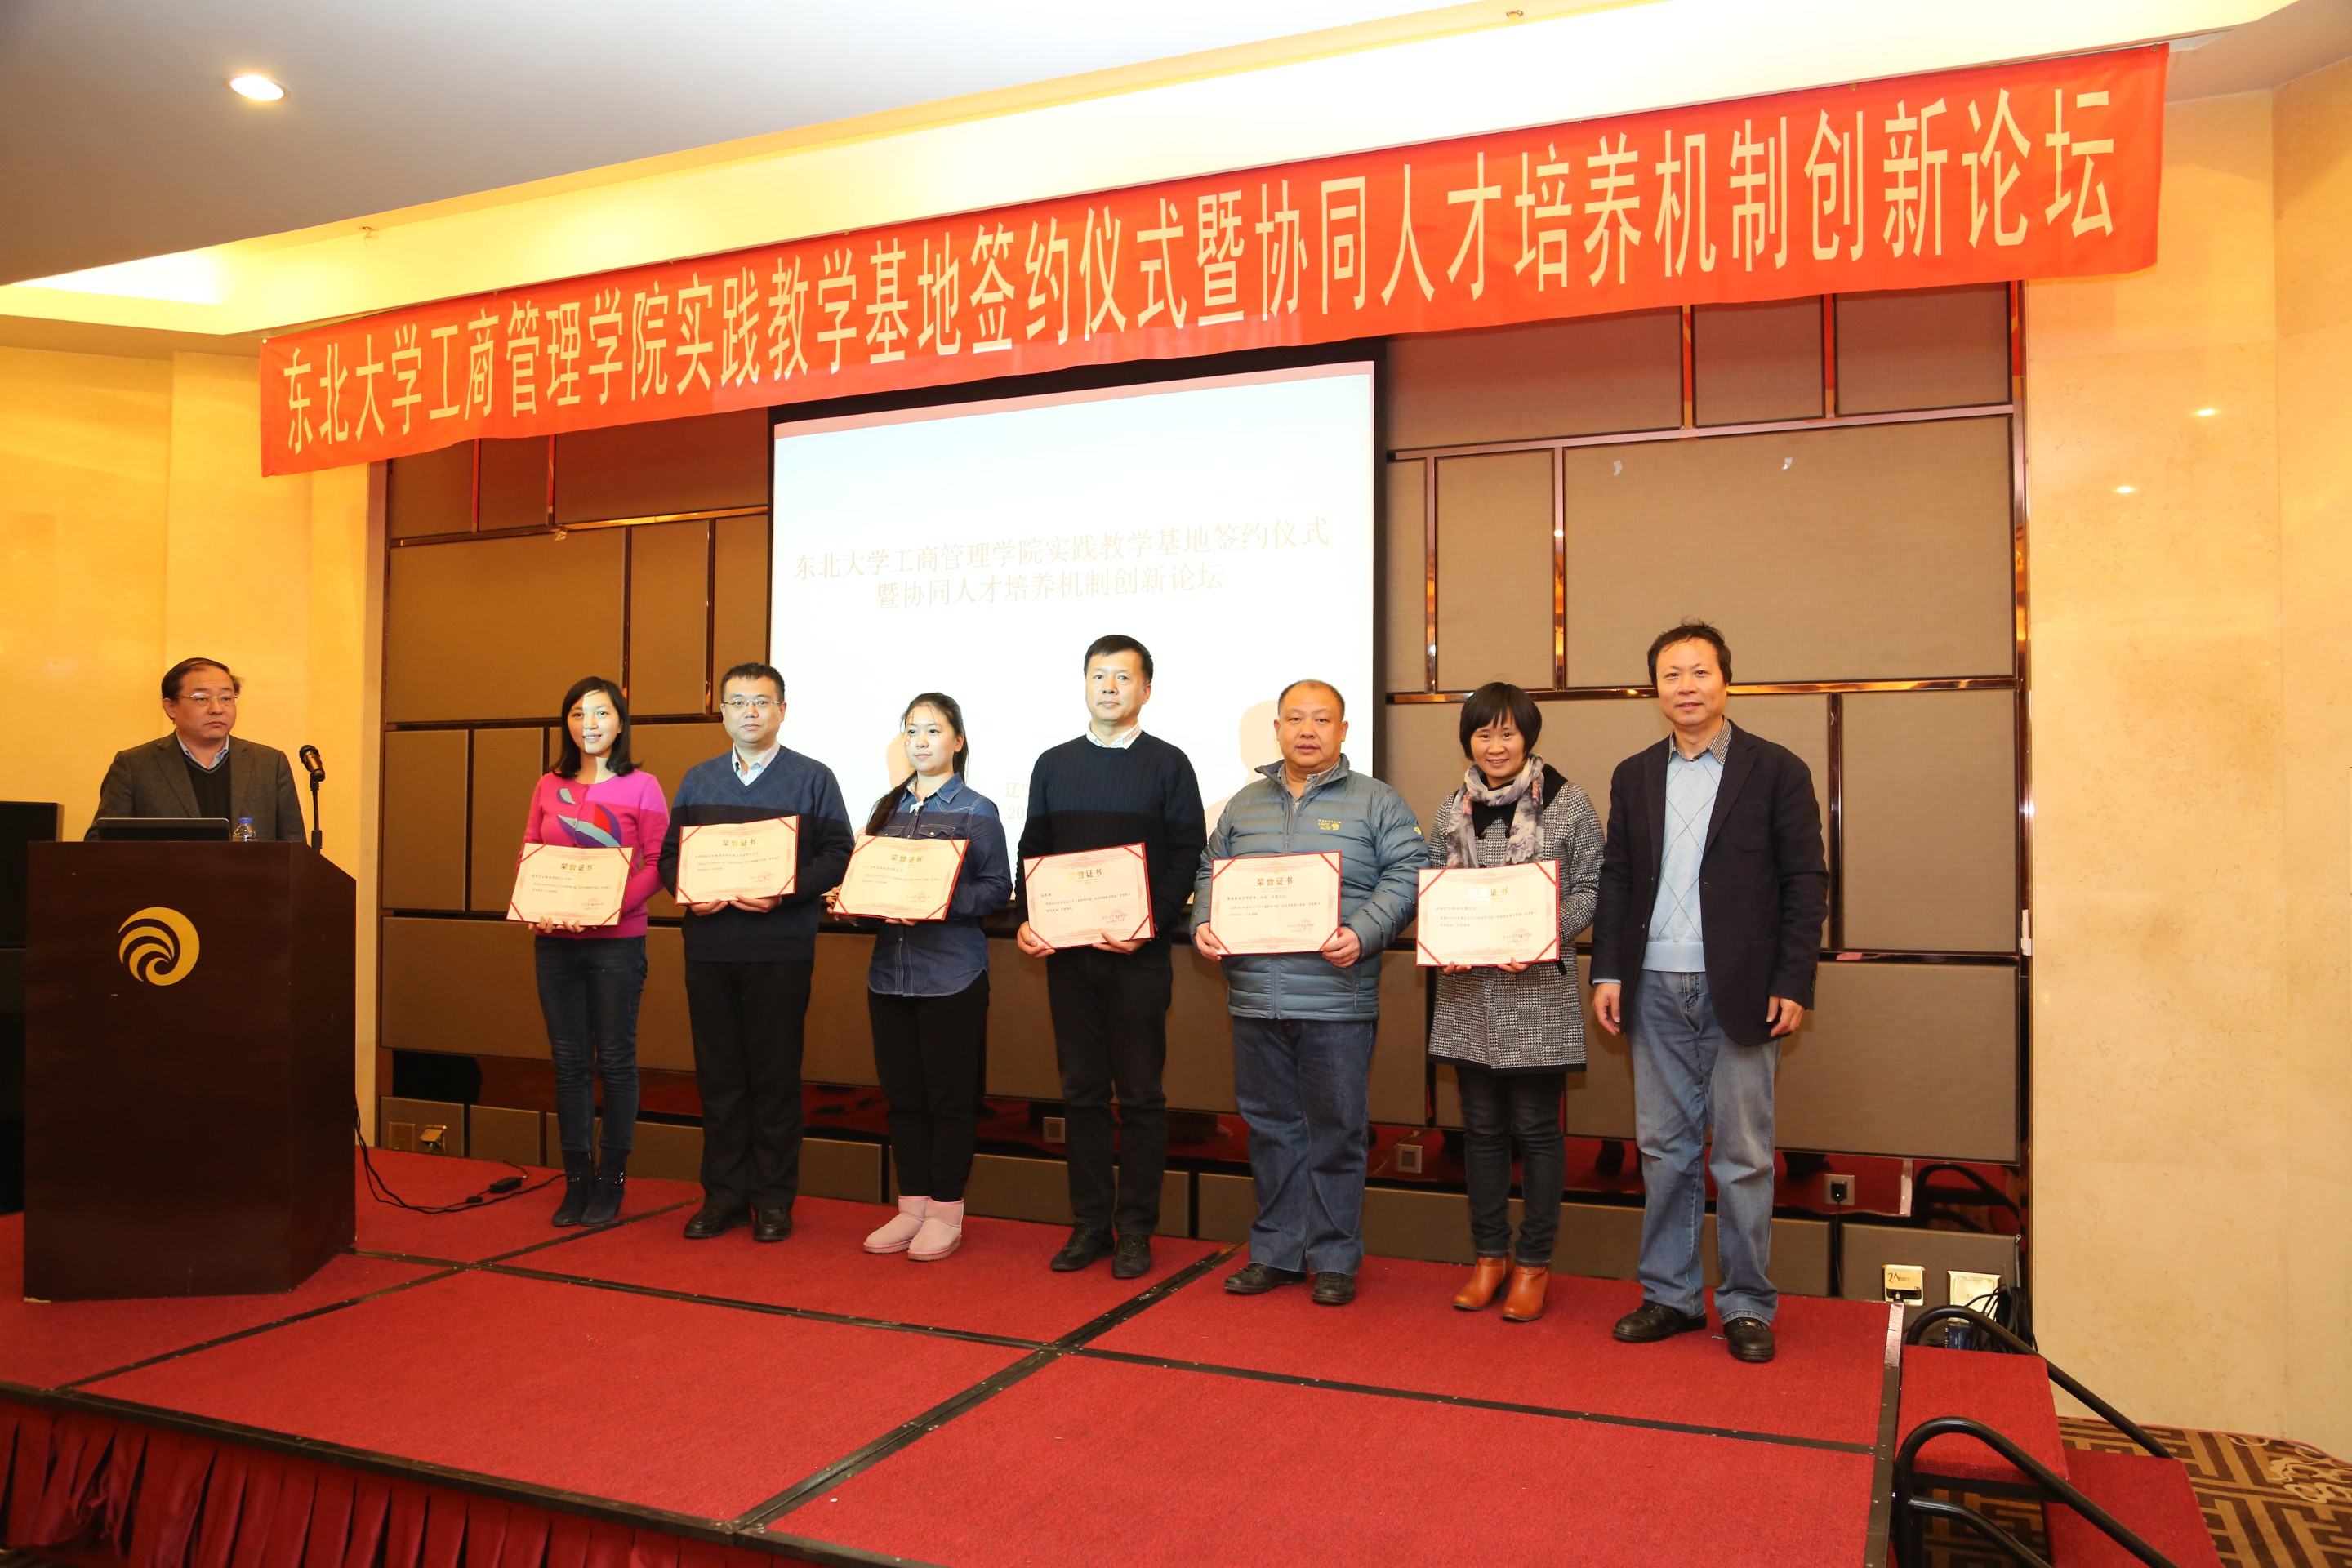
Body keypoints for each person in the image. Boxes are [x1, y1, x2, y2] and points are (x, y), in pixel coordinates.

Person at [1591, 621, 1827, 1364]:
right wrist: (1607, 971)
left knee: (1744, 1155)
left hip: (1745, 988)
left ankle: (1747, 1303)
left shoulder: (1777, 769)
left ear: (1726, 681)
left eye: (1699, 672)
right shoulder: (1634, 774)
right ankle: (1670, 1295)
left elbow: (1806, 883)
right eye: (1671, 674)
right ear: (1655, 690)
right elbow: (1618, 878)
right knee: (1664, 1149)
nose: (1686, 686)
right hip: (1652, 986)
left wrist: (1793, 979)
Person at [1193, 679, 1423, 1306]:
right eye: (1295, 718)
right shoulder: (1243, 805)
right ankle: (1276, 1252)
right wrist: (1204, 923)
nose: (1307, 730)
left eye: (1322, 719)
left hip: (1336, 999)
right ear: (1277, 729)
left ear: (1344, 730)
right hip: (1255, 998)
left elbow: (1410, 871)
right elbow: (1211, 873)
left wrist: (1364, 932)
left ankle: (1334, 1257)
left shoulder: (1377, 801)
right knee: (1270, 1131)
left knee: (1337, 1132)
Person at [1013, 635, 1205, 1281]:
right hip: (1069, 957)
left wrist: (1148, 925)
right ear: (1085, 684)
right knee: (1082, 1095)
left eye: (1123, 677)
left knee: (1143, 1097)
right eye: (1099, 676)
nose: (1110, 687)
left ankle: (1137, 1229)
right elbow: (1034, 848)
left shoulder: (1168, 764)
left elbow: (1186, 854)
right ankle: (1092, 1224)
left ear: (1146, 689)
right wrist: (1029, 919)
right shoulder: (1053, 763)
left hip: (1137, 957)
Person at [1424, 682, 1602, 1323]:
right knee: (1481, 1132)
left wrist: (1541, 934)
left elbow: (1591, 887)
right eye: (1483, 734)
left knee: (1536, 1130)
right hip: (1468, 994)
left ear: (1528, 736)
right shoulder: (1451, 808)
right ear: (1468, 741)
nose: (1495, 745)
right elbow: (1435, 890)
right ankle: (1489, 1257)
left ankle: (1533, 1262)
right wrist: (1443, 938)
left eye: (1507, 733)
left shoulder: (1568, 802)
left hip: (1536, 994)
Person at [657, 662, 854, 1243]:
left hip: (780, 949)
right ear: (722, 712)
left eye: (762, 702)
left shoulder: (813, 777)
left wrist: (784, 890)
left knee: (773, 1077)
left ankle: (772, 1200)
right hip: (711, 948)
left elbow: (839, 854)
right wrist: (689, 892)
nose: (750, 712)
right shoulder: (698, 780)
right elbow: (669, 858)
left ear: (782, 711)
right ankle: (723, 1197)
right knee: (719, 1078)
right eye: (738, 702)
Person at [831, 693, 1011, 1263]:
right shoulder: (887, 811)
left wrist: (938, 903)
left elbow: (997, 889)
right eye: (912, 731)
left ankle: (946, 1213)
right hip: (890, 975)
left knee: (949, 1100)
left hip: (952, 976)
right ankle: (911, 1207)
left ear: (958, 740)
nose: (922, 741)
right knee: (903, 1099)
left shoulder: (978, 810)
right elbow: (873, 889)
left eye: (933, 730)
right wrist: (851, 902)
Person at [521, 677, 668, 1228]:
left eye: (602, 713)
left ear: (620, 722)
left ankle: (612, 1179)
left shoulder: (643, 786)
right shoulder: (548, 784)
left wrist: (607, 907)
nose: (590, 723)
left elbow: (659, 864)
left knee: (617, 1061)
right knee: (569, 1063)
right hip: (554, 944)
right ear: (567, 724)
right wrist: (534, 905)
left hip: (617, 943)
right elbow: (531, 853)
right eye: (578, 714)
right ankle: (577, 1178)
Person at [90, 657, 306, 840]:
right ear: (171, 707)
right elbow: (100, 841)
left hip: (252, 879)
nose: (217, 709)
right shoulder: (134, 765)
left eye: (226, 698)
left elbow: (294, 846)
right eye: (201, 699)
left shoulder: (269, 763)